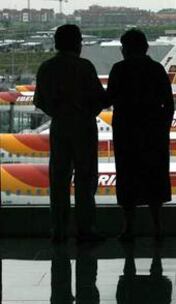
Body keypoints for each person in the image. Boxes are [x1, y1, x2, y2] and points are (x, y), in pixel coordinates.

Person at [34, 24, 106, 243]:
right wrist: (85, 113)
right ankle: (86, 229)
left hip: (60, 126)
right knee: (85, 179)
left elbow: (40, 101)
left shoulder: (47, 67)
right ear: (78, 43)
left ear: (56, 43)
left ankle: (59, 229)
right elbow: (99, 99)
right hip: (83, 127)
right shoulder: (84, 67)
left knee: (58, 179)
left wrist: (59, 113)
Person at [105, 29, 174, 241]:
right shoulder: (156, 69)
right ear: (146, 47)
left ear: (125, 49)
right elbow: (169, 103)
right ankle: (157, 226)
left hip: (127, 132)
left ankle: (128, 228)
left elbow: (108, 99)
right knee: (155, 176)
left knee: (127, 177)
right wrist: (163, 127)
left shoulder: (119, 69)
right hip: (154, 132)